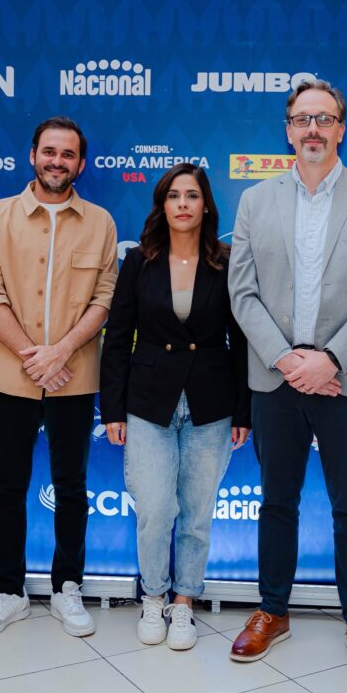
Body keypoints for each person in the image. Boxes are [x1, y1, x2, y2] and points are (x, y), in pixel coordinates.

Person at [226, 79, 347, 679]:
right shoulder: (255, 201)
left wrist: (329, 360)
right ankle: (272, 610)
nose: (312, 129)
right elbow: (243, 294)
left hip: (346, 379)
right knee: (277, 501)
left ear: (341, 129)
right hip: (275, 378)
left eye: (324, 119)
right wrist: (288, 360)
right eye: (302, 119)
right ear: (287, 130)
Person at [0, 116, 117, 639]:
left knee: (72, 486)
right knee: (8, 485)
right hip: (12, 372)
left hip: (73, 373)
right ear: (32, 155)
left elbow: (104, 298)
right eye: (49, 151)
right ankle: (8, 591)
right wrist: (34, 356)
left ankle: (67, 587)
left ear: (81, 163)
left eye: (68, 154)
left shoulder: (100, 222)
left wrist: (61, 352)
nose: (58, 161)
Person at [100, 163, 251, 651]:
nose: (183, 204)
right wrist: (112, 411)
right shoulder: (138, 261)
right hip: (149, 401)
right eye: (174, 195)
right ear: (162, 205)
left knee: (197, 512)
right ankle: (153, 596)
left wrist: (244, 411)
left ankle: (184, 600)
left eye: (192, 195)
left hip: (212, 403)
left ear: (206, 205)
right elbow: (117, 339)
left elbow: (242, 341)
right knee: (155, 508)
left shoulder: (227, 262)